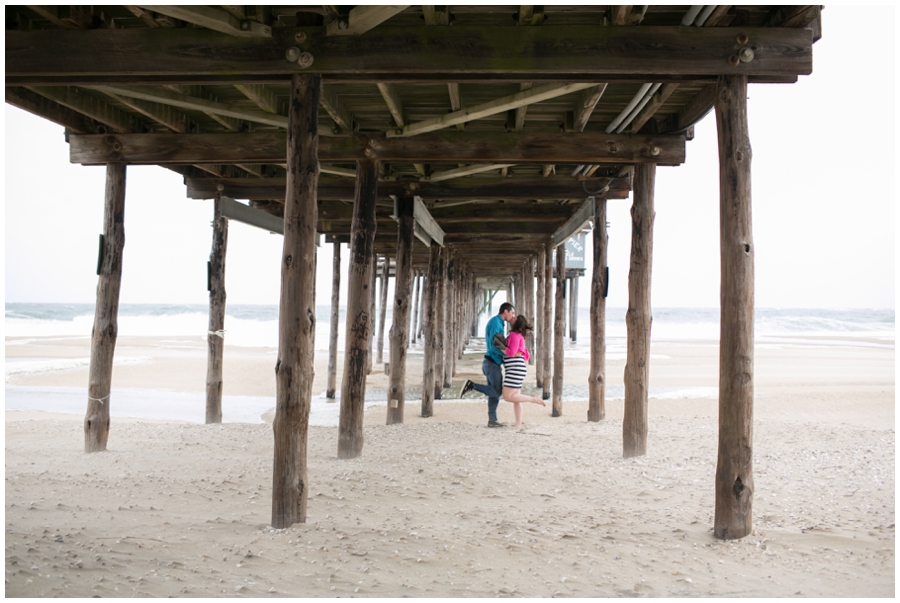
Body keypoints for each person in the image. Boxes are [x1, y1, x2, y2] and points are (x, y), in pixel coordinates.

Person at [459, 302, 515, 427]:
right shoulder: (496, 323)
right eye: (512, 312)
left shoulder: (497, 322)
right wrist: (509, 355)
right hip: (492, 363)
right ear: (505, 311)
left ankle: (492, 420)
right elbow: (496, 344)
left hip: (490, 362)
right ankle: (471, 385)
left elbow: (497, 343)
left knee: (493, 393)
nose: (512, 315)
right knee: (496, 392)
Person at [501, 315, 545, 429]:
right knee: (516, 397)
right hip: (516, 368)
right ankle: (518, 424)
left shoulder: (515, 335)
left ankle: (533, 399)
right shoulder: (518, 336)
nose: (512, 317)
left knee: (507, 396)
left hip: (515, 369)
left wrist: (500, 347)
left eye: (515, 317)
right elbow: (525, 354)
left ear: (517, 323)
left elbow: (511, 353)